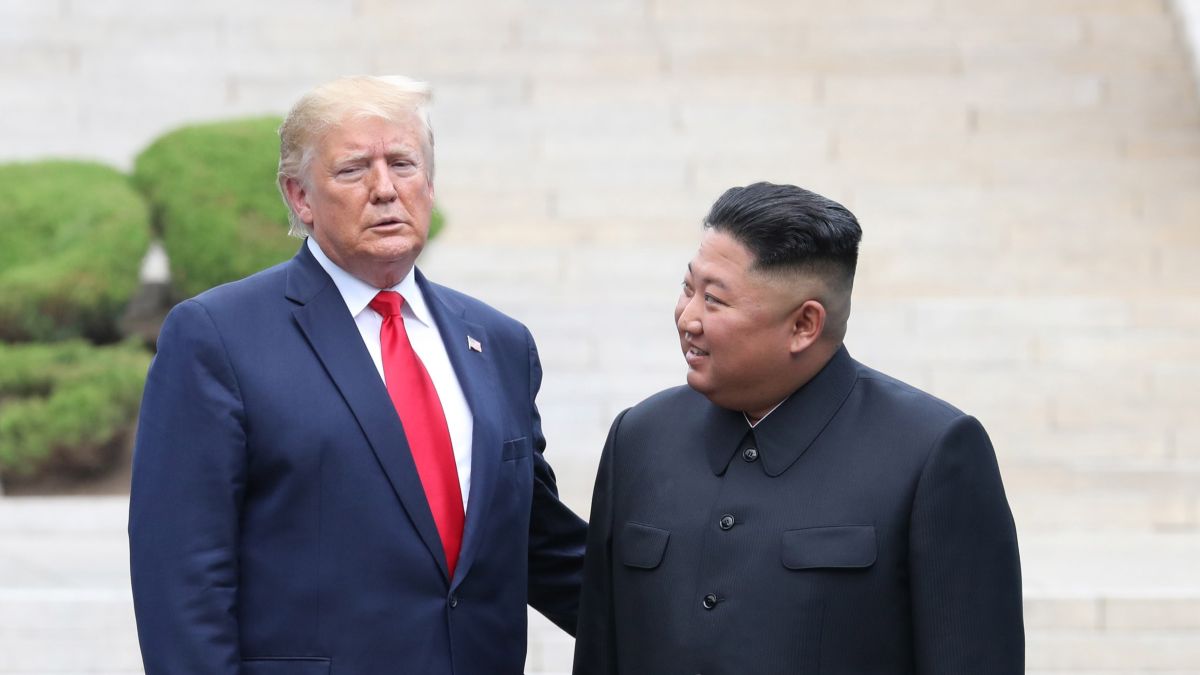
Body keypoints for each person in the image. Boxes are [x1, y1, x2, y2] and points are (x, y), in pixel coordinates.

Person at [129, 75, 586, 675]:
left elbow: (538, 544)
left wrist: (705, 616)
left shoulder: (499, 343)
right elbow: (182, 576)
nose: (385, 189)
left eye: (403, 163)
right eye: (352, 170)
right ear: (299, 197)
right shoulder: (218, 337)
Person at [573, 182, 1023, 674]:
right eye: (688, 288)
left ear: (804, 325)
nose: (689, 317)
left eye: (716, 300)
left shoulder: (931, 454)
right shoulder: (639, 439)